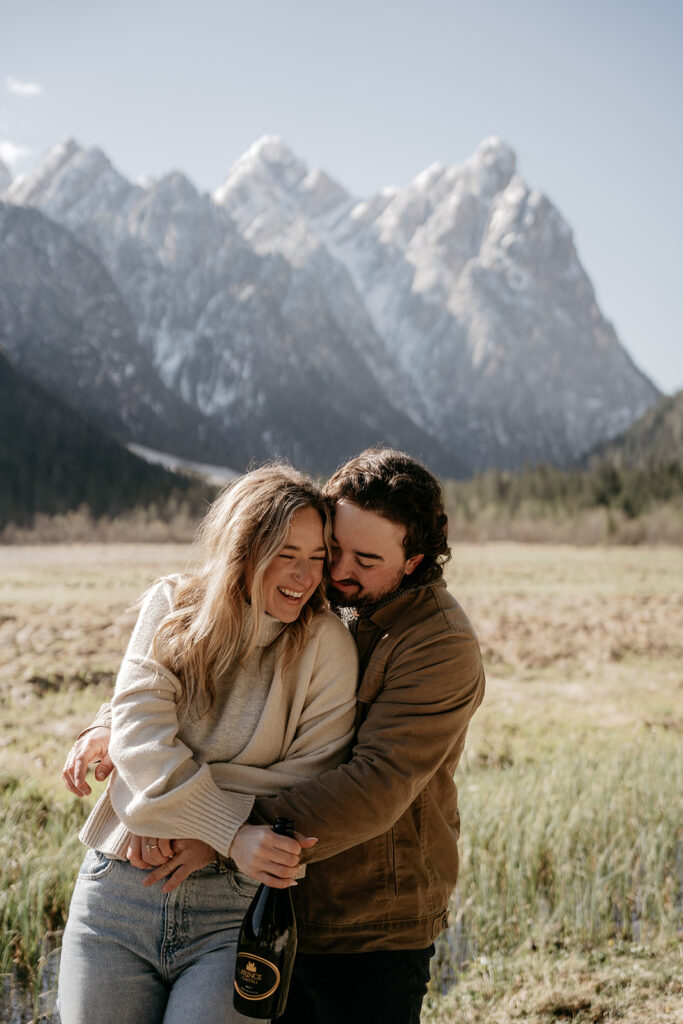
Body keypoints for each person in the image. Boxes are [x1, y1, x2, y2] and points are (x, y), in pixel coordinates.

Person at [64, 448, 485, 1024]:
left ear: (412, 563)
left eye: (364, 559)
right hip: (268, 896)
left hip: (366, 918)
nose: (334, 572)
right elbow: (181, 680)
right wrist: (113, 723)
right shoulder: (322, 606)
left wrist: (218, 832)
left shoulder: (438, 646)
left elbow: (374, 786)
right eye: (332, 549)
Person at [57, 464, 358, 1024]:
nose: (304, 575)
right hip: (118, 888)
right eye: (285, 553)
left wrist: (204, 826)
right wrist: (218, 818)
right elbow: (141, 734)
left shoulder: (327, 647)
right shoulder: (172, 604)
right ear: (243, 549)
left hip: (236, 906)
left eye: (317, 557)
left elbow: (307, 777)